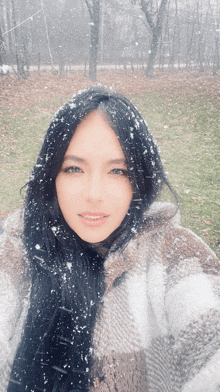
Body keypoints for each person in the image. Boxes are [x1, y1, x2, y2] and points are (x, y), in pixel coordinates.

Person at [0, 86, 220, 392]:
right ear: (51, 175)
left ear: (140, 180)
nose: (94, 195)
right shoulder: (15, 250)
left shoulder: (175, 253)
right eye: (74, 168)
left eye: (118, 171)